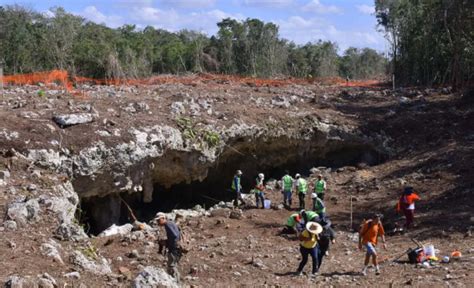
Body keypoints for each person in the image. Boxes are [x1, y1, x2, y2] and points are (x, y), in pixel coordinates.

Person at [156, 212, 182, 281]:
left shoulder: (167, 224)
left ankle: (175, 283)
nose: (158, 222)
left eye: (159, 220)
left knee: (171, 266)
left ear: (163, 218)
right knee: (173, 265)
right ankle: (177, 281)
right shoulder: (171, 223)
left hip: (174, 248)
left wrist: (166, 242)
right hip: (177, 247)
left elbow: (174, 235)